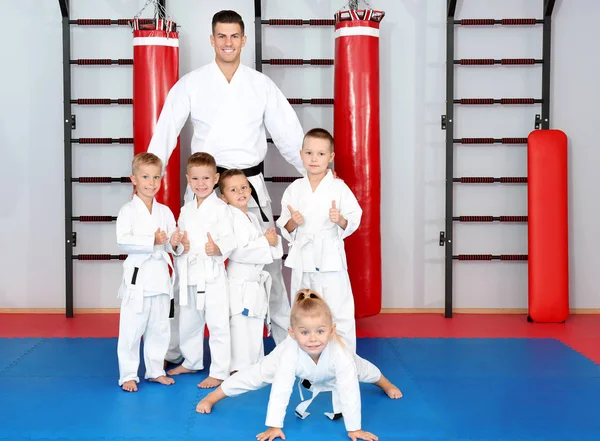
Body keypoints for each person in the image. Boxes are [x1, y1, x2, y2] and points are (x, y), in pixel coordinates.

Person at [147, 10, 305, 355]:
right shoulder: (192, 82)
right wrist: (150, 180)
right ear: (212, 40)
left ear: (244, 40)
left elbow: (289, 135)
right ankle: (175, 349)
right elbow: (166, 132)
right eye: (221, 36)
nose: (228, 43)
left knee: (269, 262)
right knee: (190, 262)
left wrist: (314, 175)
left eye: (234, 36)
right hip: (206, 185)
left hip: (249, 184)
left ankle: (285, 344)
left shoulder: (260, 84)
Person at [196, 289, 402, 441]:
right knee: (254, 376)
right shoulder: (288, 353)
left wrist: (354, 428)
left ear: (331, 330)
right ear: (292, 333)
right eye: (305, 332)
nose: (313, 339)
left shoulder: (341, 353)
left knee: (364, 370)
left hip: (334, 365)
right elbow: (281, 389)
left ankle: (386, 384)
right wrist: (274, 425)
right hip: (288, 359)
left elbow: (349, 391)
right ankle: (212, 396)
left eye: (320, 331)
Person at [276, 128, 362, 352]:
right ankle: (304, 361)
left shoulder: (339, 188)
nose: (314, 159)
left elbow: (354, 218)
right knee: (301, 312)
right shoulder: (294, 189)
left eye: (321, 154)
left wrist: (340, 219)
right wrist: (293, 222)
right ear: (301, 154)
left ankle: (345, 361)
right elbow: (285, 225)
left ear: (330, 157)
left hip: (330, 258)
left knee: (338, 312)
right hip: (303, 259)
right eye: (309, 153)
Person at [168, 152, 237, 389]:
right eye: (195, 179)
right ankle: (192, 360)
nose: (201, 184)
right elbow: (178, 240)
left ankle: (219, 371)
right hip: (190, 273)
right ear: (188, 179)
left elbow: (230, 238)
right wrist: (178, 245)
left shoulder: (221, 208)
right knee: (189, 320)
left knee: (217, 323)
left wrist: (217, 248)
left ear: (216, 178)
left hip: (212, 274)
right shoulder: (186, 210)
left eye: (206, 178)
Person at [116, 152, 181, 392]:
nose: (151, 183)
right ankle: (128, 375)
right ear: (134, 179)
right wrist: (151, 239)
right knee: (132, 330)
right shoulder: (127, 211)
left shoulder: (164, 211)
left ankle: (155, 370)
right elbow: (122, 241)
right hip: (138, 279)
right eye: (145, 177)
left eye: (156, 177)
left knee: (159, 328)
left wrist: (175, 242)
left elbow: (173, 242)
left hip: (160, 279)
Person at [219, 169, 283, 372]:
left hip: (254, 281)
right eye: (233, 189)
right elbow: (238, 251)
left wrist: (270, 240)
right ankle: (238, 366)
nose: (241, 192)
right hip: (240, 281)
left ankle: (254, 364)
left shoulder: (252, 217)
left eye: (244, 187)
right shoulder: (228, 217)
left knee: (255, 323)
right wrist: (266, 241)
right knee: (239, 323)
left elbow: (269, 249)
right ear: (224, 197)